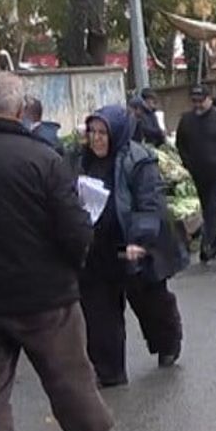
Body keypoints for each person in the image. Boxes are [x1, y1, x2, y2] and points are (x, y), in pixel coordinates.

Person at [0, 72, 139, 431]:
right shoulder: (42, 160)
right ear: (21, 111)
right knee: (69, 375)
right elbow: (76, 230)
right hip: (46, 296)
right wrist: (75, 264)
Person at [76, 106, 187, 387]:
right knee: (99, 313)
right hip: (97, 249)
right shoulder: (81, 160)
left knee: (151, 303)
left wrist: (140, 240)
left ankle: (168, 343)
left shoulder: (138, 160)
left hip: (133, 246)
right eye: (93, 132)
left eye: (103, 133)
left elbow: (148, 204)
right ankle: (109, 371)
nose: (97, 139)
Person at [175, 85, 216, 263]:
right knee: (208, 206)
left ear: (209, 100)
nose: (197, 105)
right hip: (198, 171)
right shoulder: (187, 120)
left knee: (214, 204)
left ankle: (207, 244)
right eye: (194, 101)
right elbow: (180, 143)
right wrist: (187, 162)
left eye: (200, 101)